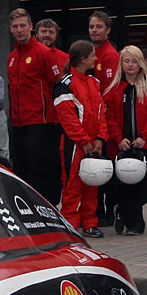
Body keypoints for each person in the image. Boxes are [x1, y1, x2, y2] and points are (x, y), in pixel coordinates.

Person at [104, 46, 147, 234]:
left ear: (141, 64)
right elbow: (109, 116)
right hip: (122, 145)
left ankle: (122, 210)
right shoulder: (113, 90)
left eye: (134, 61)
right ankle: (135, 224)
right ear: (121, 64)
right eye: (126, 61)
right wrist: (118, 138)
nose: (130, 65)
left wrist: (144, 137)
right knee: (128, 183)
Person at [6, 8, 63, 203]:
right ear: (10, 29)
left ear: (31, 27)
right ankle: (26, 207)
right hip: (18, 123)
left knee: (41, 168)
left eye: (23, 25)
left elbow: (58, 83)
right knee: (21, 168)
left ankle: (47, 207)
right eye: (15, 26)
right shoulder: (12, 58)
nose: (19, 29)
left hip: (41, 122)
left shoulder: (44, 53)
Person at [53, 40, 106, 237]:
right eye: (93, 55)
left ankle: (90, 223)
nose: (96, 58)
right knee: (72, 184)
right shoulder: (65, 84)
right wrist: (84, 141)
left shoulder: (94, 83)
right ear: (83, 58)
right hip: (74, 144)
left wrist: (100, 138)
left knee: (92, 183)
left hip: (93, 143)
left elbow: (101, 114)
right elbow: (68, 118)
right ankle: (71, 224)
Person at [88, 11, 119, 94]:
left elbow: (110, 90)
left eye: (99, 27)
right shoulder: (86, 52)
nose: (94, 30)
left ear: (108, 30)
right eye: (91, 27)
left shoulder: (111, 55)